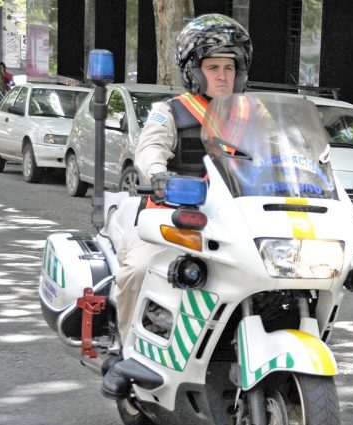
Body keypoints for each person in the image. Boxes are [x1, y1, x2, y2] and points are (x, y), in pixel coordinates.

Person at [103, 13, 252, 398]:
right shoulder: (170, 111)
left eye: (230, 67)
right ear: (195, 72)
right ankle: (123, 351)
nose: (223, 75)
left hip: (237, 219)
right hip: (173, 215)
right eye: (213, 67)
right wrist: (158, 174)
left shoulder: (253, 115)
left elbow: (283, 155)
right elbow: (149, 149)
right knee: (136, 269)